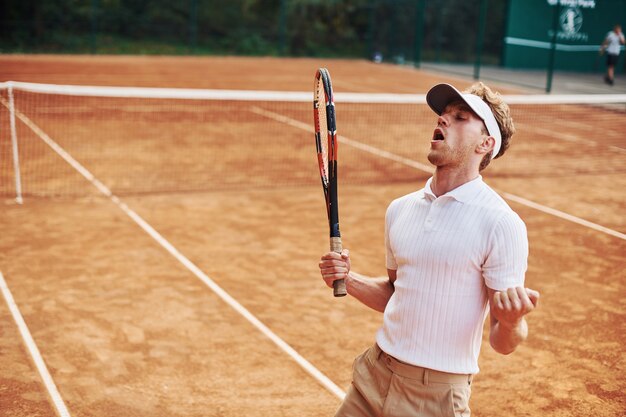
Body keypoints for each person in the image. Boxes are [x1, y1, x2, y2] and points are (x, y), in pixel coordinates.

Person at [318, 82, 540, 417]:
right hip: (373, 376)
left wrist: (510, 323)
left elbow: (502, 341)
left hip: (435, 396)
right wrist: (349, 280)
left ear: (486, 143)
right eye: (444, 114)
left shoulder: (501, 223)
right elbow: (398, 292)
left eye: (460, 117)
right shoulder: (401, 209)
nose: (444, 120)